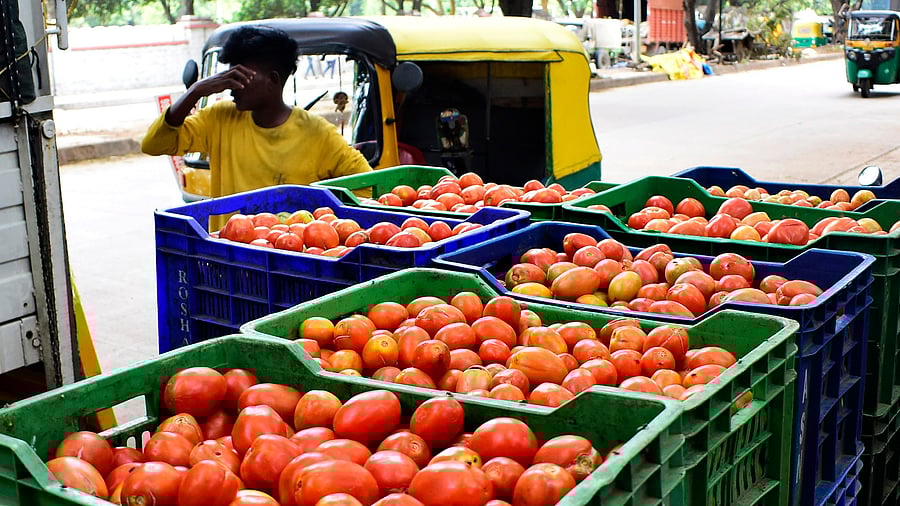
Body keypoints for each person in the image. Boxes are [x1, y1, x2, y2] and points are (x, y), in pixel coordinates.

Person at [141, 25, 372, 224]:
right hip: (230, 253)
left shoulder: (318, 133)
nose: (230, 86)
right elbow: (154, 144)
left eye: (238, 77)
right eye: (227, 76)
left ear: (272, 80)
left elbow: (368, 186)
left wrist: (322, 220)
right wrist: (196, 91)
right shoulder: (219, 118)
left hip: (287, 255)